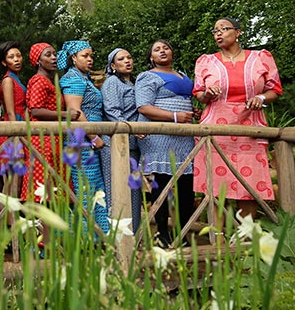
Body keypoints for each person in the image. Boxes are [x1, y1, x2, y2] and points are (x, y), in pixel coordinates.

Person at [193, 18, 282, 219]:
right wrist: (207, 94)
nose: (218, 34)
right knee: (216, 188)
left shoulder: (261, 57)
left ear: (238, 32)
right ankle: (217, 242)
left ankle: (245, 239)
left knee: (248, 187)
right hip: (215, 131)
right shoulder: (206, 61)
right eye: (215, 31)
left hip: (250, 128)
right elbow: (198, 94)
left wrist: (260, 97)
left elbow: (274, 89)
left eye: (223, 29)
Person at [135, 39, 195, 247]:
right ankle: (162, 234)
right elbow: (143, 107)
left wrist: (189, 113)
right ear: (151, 57)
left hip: (184, 138)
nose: (162, 51)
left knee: (187, 186)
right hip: (159, 137)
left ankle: (183, 233)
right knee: (162, 185)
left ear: (172, 52)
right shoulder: (147, 77)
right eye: (157, 49)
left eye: (166, 48)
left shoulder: (183, 75)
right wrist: (176, 116)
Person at [58, 40, 109, 234]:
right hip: (81, 141)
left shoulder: (84, 77)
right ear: (73, 58)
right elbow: (75, 111)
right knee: (85, 189)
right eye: (85, 56)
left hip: (89, 140)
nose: (90, 59)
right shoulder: (73, 79)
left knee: (93, 187)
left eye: (91, 56)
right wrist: (94, 137)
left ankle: (96, 236)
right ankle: (82, 237)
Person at [21, 43, 80, 201]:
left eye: (54, 54)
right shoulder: (39, 80)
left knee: (53, 191)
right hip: (42, 141)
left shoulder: (48, 81)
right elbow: (35, 110)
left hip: (52, 140)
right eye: (48, 55)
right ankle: (39, 225)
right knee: (42, 190)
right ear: (38, 61)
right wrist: (65, 115)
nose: (54, 58)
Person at [100, 48, 142, 232]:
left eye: (129, 57)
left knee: (134, 190)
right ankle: (115, 236)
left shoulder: (132, 84)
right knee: (115, 188)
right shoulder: (112, 83)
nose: (127, 61)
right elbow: (112, 112)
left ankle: (132, 235)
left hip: (133, 144)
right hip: (114, 144)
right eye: (121, 59)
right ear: (113, 66)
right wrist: (134, 130)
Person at [0, 41, 27, 123]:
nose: (16, 60)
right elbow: (10, 112)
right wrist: (15, 132)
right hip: (15, 121)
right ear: (4, 62)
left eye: (19, 56)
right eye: (11, 57)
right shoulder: (8, 80)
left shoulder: (16, 79)